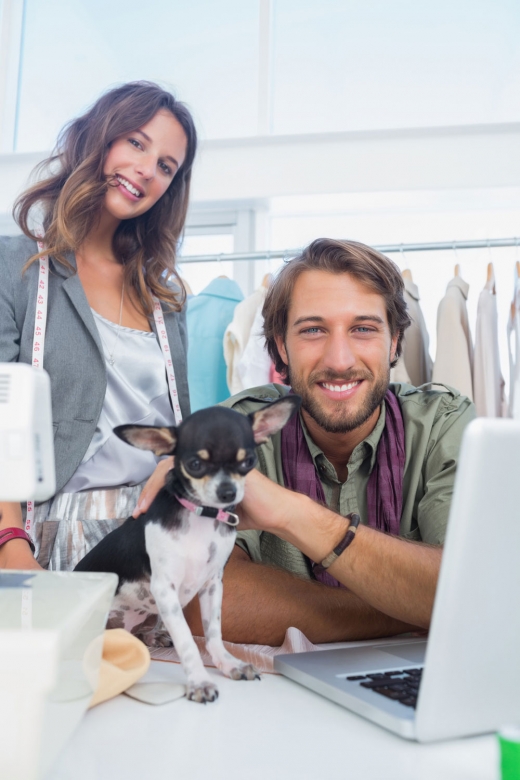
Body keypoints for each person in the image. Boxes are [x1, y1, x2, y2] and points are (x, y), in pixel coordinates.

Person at [163, 238, 472, 645]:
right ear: (279, 347)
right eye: (313, 330)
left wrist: (293, 514)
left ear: (395, 341)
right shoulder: (231, 431)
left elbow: (475, 586)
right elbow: (202, 604)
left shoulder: (443, 426)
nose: (339, 360)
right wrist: (412, 604)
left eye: (363, 329)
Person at [0, 81, 197, 573]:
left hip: (160, 533)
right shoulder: (18, 268)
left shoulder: (165, 297)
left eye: (166, 167)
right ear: (98, 137)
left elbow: (178, 431)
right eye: (136, 142)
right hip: (45, 536)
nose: (146, 171)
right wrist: (10, 544)